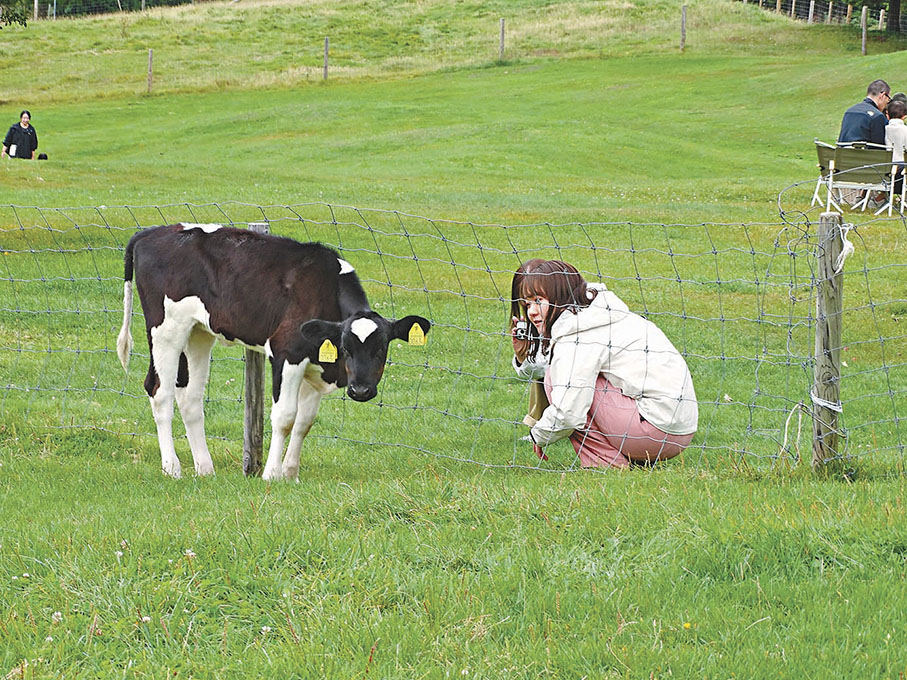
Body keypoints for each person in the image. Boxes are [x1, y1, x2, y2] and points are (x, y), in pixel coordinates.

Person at [510, 259, 698, 469]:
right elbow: (552, 364)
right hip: (681, 430)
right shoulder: (599, 313)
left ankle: (604, 464)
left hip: (652, 432)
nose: (531, 312)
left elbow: (568, 412)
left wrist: (538, 435)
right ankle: (631, 463)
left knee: (560, 385)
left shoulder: (577, 333)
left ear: (558, 296)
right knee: (565, 378)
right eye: (527, 304)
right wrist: (523, 355)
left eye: (538, 300)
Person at [838, 80, 891, 146]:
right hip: (864, 152)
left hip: (843, 152)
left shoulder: (849, 111)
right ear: (882, 95)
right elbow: (879, 148)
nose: (887, 103)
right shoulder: (877, 116)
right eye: (888, 99)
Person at [885, 99, 907, 196]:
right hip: (902, 169)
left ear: (887, 115)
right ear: (904, 117)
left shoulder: (883, 129)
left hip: (885, 168)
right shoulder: (905, 130)